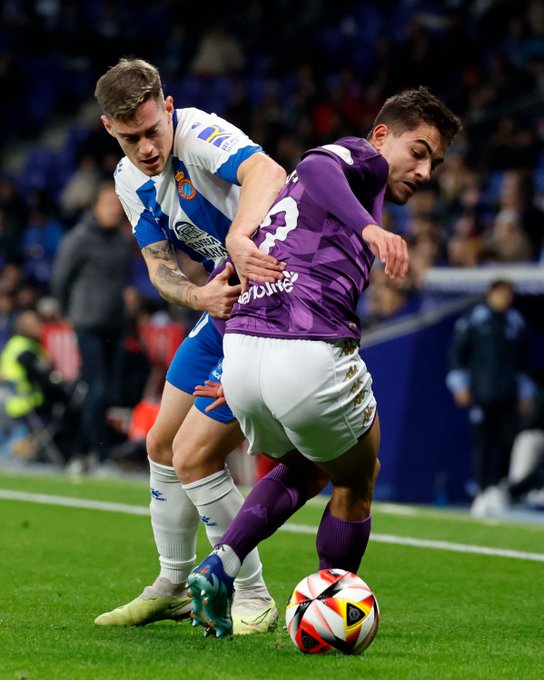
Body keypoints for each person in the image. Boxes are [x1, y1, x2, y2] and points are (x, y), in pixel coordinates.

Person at [184, 86, 462, 637]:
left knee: (314, 464)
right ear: (382, 135)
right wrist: (370, 228)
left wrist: (233, 373)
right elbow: (315, 165)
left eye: (437, 162)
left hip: (245, 352)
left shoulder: (297, 210)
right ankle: (332, 608)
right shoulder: (360, 159)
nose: (426, 170)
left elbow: (244, 272)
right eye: (421, 151)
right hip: (307, 348)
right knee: (360, 472)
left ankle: (221, 564)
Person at [91, 58, 286, 633]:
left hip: (278, 298)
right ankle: (173, 583)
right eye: (131, 138)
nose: (147, 147)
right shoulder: (129, 181)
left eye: (153, 130)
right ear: (109, 129)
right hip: (225, 302)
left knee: (194, 454)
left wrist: (237, 235)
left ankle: (252, 596)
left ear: (168, 108)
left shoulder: (199, 133)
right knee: (160, 443)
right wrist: (199, 298)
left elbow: (269, 174)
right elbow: (158, 267)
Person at [51, 180, 133, 472]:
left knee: (107, 392)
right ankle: (101, 457)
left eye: (117, 206)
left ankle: (80, 452)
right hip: (87, 322)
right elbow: (60, 278)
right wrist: (68, 311)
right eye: (108, 205)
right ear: (94, 207)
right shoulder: (79, 239)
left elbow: (125, 278)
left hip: (115, 323)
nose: (114, 211)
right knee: (97, 388)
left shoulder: (122, 240)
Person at [446, 279, 536, 516]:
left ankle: (499, 489)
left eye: (509, 294)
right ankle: (482, 490)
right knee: (483, 443)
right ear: (490, 294)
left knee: (507, 442)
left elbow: (523, 361)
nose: (505, 298)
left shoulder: (515, 322)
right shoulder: (475, 319)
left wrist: (525, 393)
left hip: (508, 394)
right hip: (482, 394)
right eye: (501, 294)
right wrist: (460, 385)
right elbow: (458, 353)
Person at [0, 309, 78, 463]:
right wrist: (64, 390)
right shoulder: (26, 350)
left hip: (11, 403)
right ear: (24, 327)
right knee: (68, 409)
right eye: (35, 323)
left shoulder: (15, 345)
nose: (40, 326)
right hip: (27, 405)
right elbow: (41, 378)